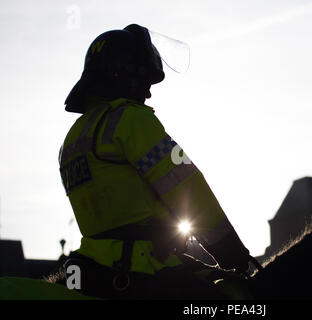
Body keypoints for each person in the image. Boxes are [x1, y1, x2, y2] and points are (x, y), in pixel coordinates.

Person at [58, 24, 250, 299]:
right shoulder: (131, 119)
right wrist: (231, 252)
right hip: (143, 266)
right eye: (145, 81)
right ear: (125, 76)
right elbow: (187, 187)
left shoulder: (72, 139)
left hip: (90, 266)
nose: (148, 93)